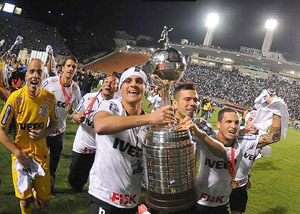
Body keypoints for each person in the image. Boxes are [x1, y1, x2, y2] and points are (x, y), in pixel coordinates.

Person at [88, 66, 175, 214]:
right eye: (128, 81)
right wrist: (149, 118)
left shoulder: (149, 125)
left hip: (131, 202)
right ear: (120, 89)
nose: (133, 84)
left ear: (145, 89)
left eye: (139, 81)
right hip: (104, 198)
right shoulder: (111, 106)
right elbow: (101, 125)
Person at [191, 107, 281, 214]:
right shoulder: (207, 138)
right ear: (219, 124)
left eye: (236, 122)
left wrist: (277, 110)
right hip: (199, 203)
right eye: (228, 122)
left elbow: (273, 137)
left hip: (222, 205)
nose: (233, 126)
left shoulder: (243, 140)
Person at [0, 59, 58, 214]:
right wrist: (17, 153)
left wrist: (44, 133)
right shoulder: (15, 98)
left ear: (43, 76)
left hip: (41, 154)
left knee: (45, 202)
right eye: (32, 71)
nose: (35, 75)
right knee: (24, 200)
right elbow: (1, 130)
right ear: (26, 76)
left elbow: (55, 123)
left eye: (39, 72)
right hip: (21, 156)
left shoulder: (50, 99)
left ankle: (37, 194)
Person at [68, 75, 118, 192]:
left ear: (116, 87)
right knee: (75, 179)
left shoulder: (118, 104)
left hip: (102, 148)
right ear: (102, 84)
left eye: (112, 83)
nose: (108, 84)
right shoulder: (88, 97)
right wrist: (77, 117)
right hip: (83, 145)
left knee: (99, 178)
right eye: (106, 81)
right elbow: (74, 114)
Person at [41, 55, 81, 193]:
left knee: (53, 164)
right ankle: (36, 188)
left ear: (76, 70)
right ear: (62, 68)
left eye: (73, 67)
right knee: (39, 161)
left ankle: (49, 189)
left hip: (59, 132)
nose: (70, 69)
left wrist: (76, 117)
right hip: (44, 130)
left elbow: (76, 111)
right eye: (68, 66)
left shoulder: (76, 89)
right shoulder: (49, 82)